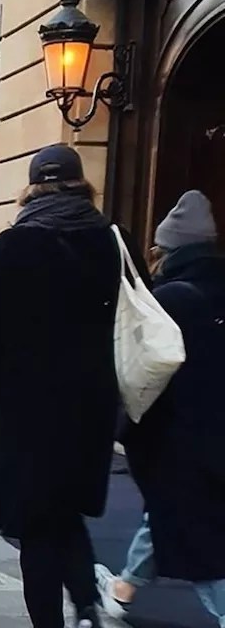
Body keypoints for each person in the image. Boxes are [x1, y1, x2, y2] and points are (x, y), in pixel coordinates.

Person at [0, 144, 132, 628]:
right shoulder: (112, 241)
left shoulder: (15, 244)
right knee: (64, 511)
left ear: (32, 187)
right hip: (91, 407)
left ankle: (54, 621)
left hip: (25, 411)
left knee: (37, 524)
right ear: (82, 183)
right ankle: (86, 606)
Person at [97, 191, 225, 625]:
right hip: (210, 439)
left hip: (182, 443)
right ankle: (125, 586)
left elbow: (142, 376)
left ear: (166, 250)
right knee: (171, 518)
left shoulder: (169, 301)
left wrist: (122, 426)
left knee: (203, 548)